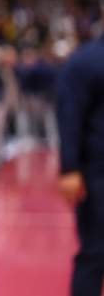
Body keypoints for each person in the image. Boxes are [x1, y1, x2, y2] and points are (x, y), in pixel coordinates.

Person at [57, 28, 104, 296]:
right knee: (96, 251)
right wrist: (69, 168)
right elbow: (70, 115)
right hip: (97, 174)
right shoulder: (85, 62)